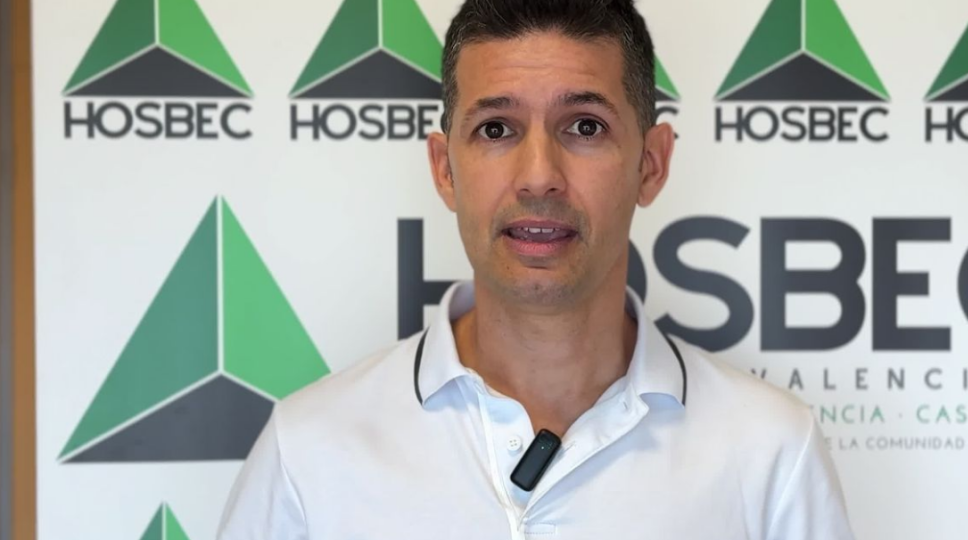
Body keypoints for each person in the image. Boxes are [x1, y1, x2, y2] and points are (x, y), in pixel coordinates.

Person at [217, 0, 854, 538]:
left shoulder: (771, 450)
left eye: (585, 126)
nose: (540, 176)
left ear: (651, 164)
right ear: (444, 169)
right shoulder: (310, 449)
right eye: (496, 129)